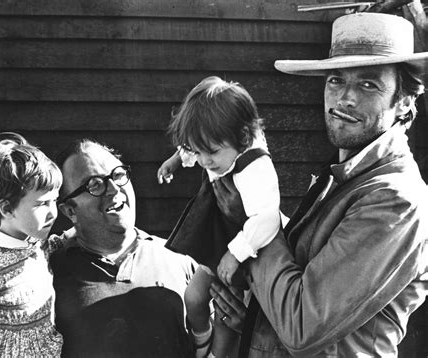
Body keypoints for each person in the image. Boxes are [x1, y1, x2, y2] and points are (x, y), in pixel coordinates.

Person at [210, 12, 428, 357]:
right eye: (336, 80)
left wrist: (254, 222)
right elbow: (309, 309)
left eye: (368, 84)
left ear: (403, 102)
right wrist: (257, 322)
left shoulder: (395, 199)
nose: (345, 99)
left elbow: (301, 326)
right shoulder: (346, 178)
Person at [157, 76, 281, 357]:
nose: (203, 161)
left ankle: (217, 353)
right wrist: (177, 160)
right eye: (197, 152)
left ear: (244, 138)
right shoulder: (217, 147)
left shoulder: (255, 168)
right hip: (220, 237)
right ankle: (201, 340)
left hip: (251, 248)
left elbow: (267, 218)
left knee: (228, 315)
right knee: (194, 297)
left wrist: (236, 253)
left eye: (211, 152)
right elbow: (195, 146)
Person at [50, 138, 200, 357]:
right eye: (94, 184)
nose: (113, 188)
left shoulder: (179, 260)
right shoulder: (47, 274)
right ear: (70, 211)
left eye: (118, 175)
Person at [0, 132, 72, 357]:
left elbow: (51, 247)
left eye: (54, 200)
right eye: (42, 204)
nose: (53, 213)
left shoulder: (35, 244)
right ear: (6, 209)